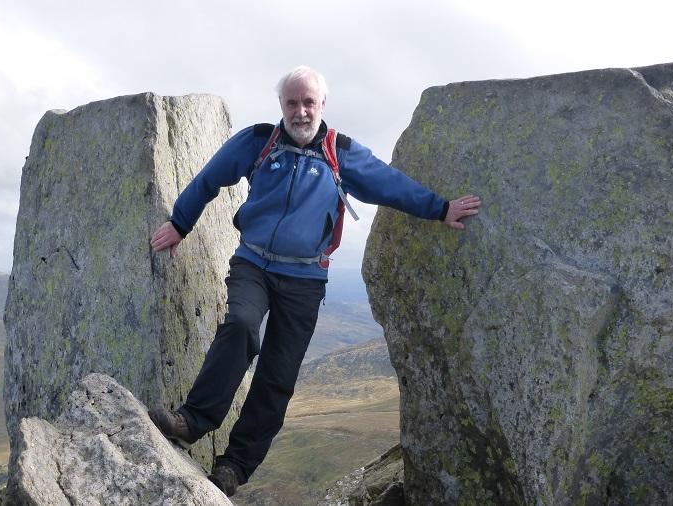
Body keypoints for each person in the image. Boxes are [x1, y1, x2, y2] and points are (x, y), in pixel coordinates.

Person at [149, 65, 481, 497]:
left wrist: (440, 208)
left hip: (305, 279)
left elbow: (390, 184)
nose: (301, 111)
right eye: (293, 102)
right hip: (254, 264)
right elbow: (210, 177)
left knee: (278, 375)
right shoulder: (258, 141)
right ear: (281, 105)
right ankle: (192, 421)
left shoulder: (340, 152)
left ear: (322, 105)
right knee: (242, 326)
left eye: (309, 102)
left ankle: (234, 466)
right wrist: (180, 222)